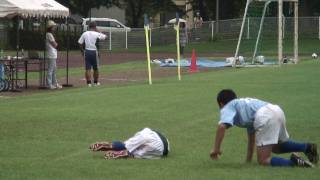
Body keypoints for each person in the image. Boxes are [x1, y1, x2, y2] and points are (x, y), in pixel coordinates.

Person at [210, 89, 318, 168]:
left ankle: (294, 162)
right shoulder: (243, 108)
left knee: (263, 160)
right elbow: (252, 139)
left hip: (265, 115)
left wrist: (216, 149)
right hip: (276, 110)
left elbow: (222, 126)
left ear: (221, 104)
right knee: (275, 147)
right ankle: (307, 147)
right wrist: (248, 161)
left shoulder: (228, 106)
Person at [89, 127, 170, 159]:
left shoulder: (147, 132)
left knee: (126, 145)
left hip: (147, 132)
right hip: (161, 147)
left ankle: (111, 145)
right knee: (136, 154)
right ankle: (122, 154)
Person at [78, 21, 106, 87]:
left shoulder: (85, 33)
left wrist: (82, 51)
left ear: (89, 27)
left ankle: (89, 83)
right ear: (95, 27)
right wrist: (98, 31)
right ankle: (96, 82)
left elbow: (79, 43)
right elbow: (105, 37)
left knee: (87, 68)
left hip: (87, 51)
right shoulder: (96, 33)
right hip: (94, 51)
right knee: (95, 68)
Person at [46, 20, 62, 89]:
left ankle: (54, 83)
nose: (54, 28)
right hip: (51, 54)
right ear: (51, 27)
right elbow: (54, 44)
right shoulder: (49, 34)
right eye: (53, 27)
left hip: (53, 54)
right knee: (51, 69)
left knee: (54, 69)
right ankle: (50, 84)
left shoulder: (50, 34)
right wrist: (58, 46)